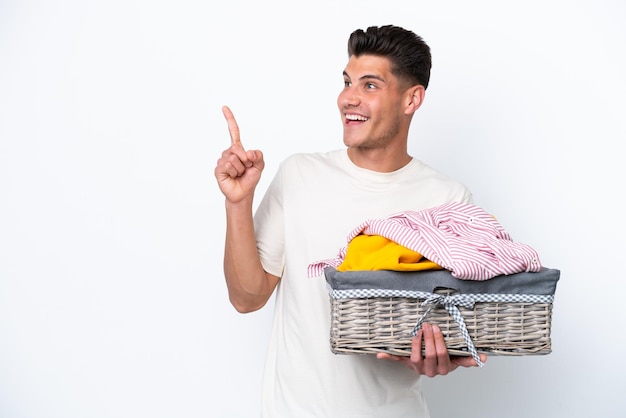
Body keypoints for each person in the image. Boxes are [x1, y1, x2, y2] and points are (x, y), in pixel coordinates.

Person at [214, 24, 487, 418]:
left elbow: (448, 329)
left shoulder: (448, 199)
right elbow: (246, 298)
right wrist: (238, 203)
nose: (348, 98)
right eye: (347, 81)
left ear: (412, 99)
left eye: (370, 85)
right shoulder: (299, 176)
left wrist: (437, 353)